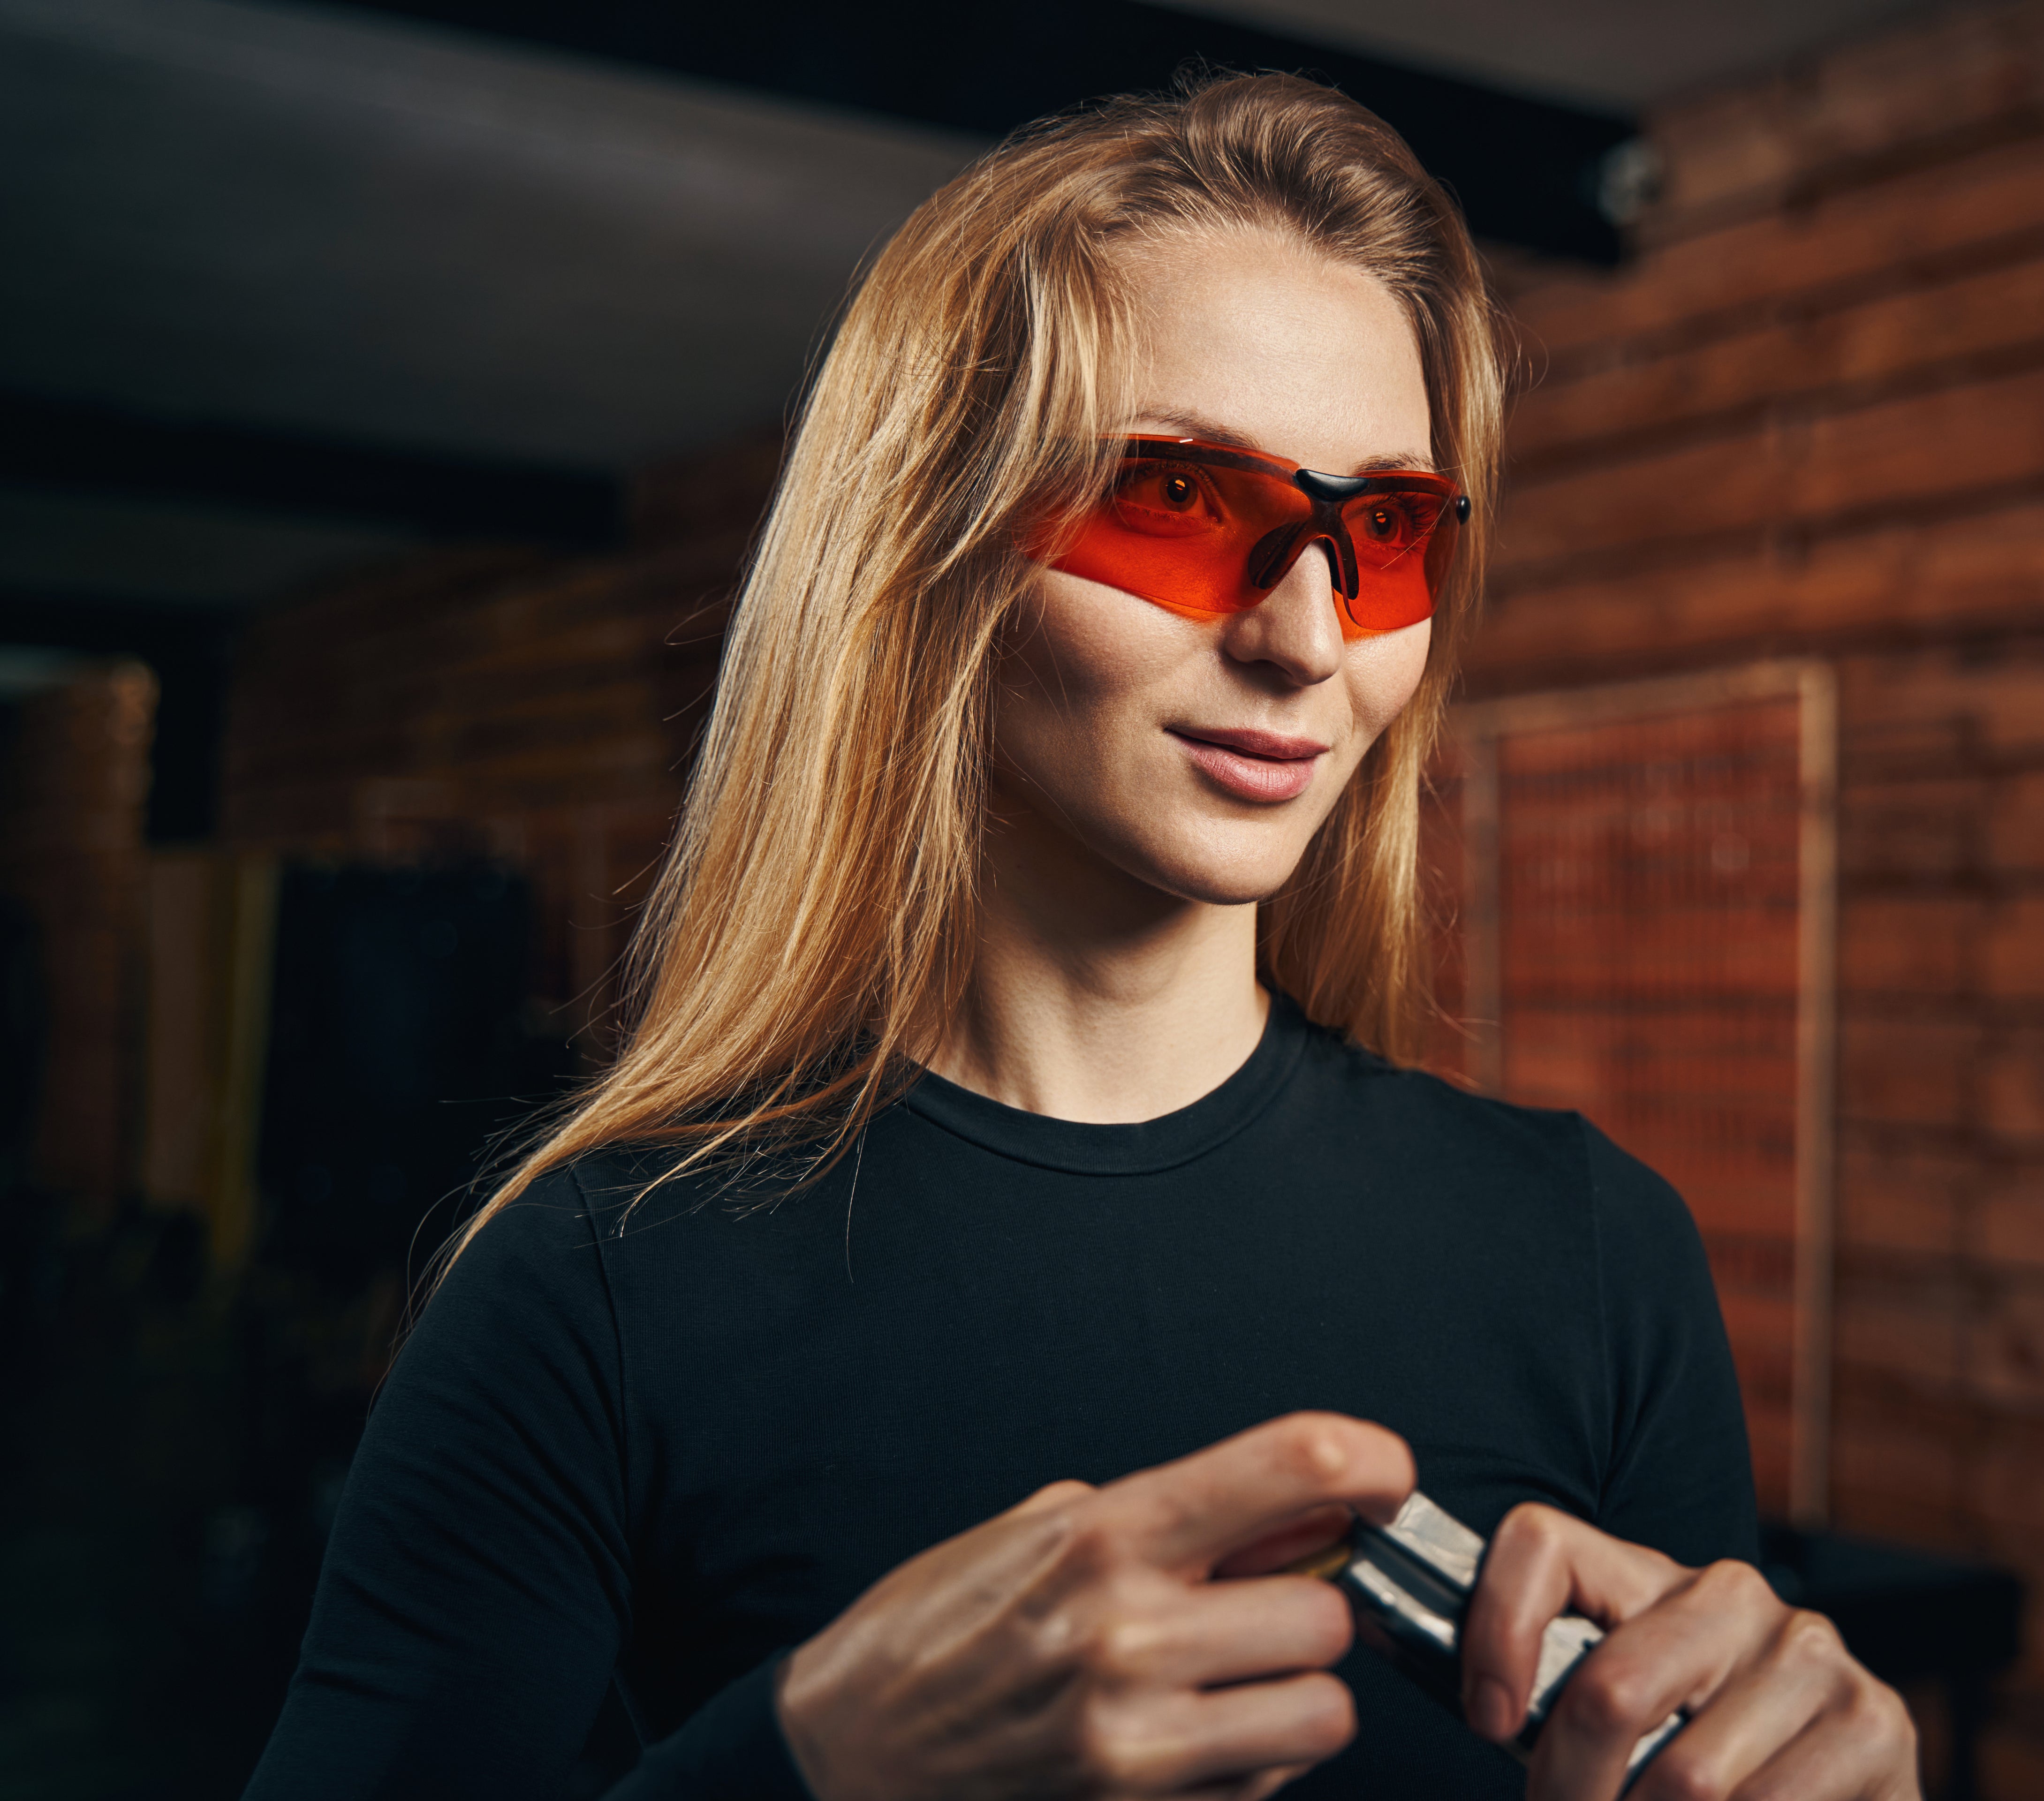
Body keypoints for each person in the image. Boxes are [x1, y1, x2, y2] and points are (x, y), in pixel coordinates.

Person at [244, 73, 1918, 1801]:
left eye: (1386, 531)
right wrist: (811, 1768)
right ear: (932, 547)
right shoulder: (594, 1289)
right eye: (1184, 502)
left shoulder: (1589, 1251)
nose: (1308, 635)